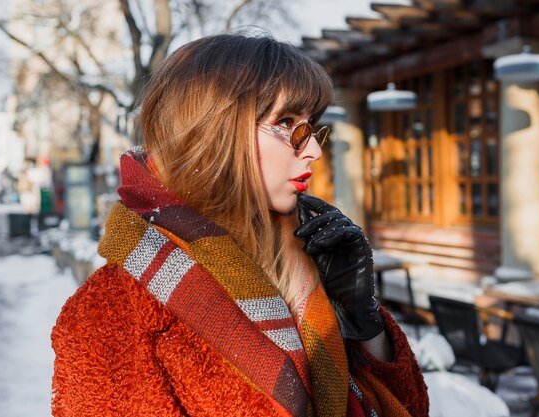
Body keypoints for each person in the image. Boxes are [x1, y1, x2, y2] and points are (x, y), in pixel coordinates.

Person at [51, 33, 428, 417]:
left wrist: (366, 327)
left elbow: (409, 408)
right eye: (286, 122)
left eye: (311, 126)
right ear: (213, 132)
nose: (313, 149)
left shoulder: (306, 265)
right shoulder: (109, 316)